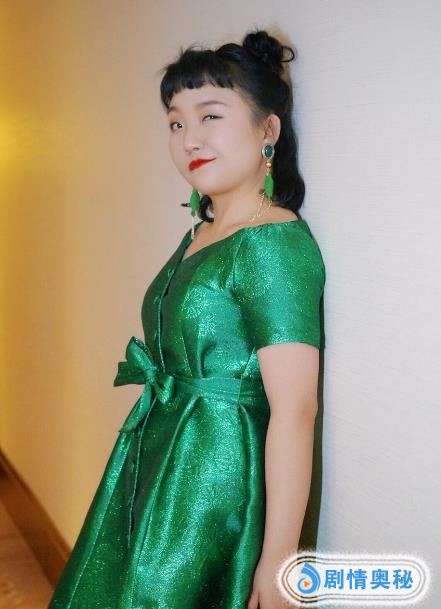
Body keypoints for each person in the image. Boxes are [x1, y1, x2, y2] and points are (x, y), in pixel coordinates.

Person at [47, 28, 325, 609]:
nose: (188, 139)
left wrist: (280, 562)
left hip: (214, 485)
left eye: (211, 116)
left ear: (268, 131)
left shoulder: (273, 243)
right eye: (175, 123)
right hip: (159, 458)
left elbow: (295, 410)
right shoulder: (203, 232)